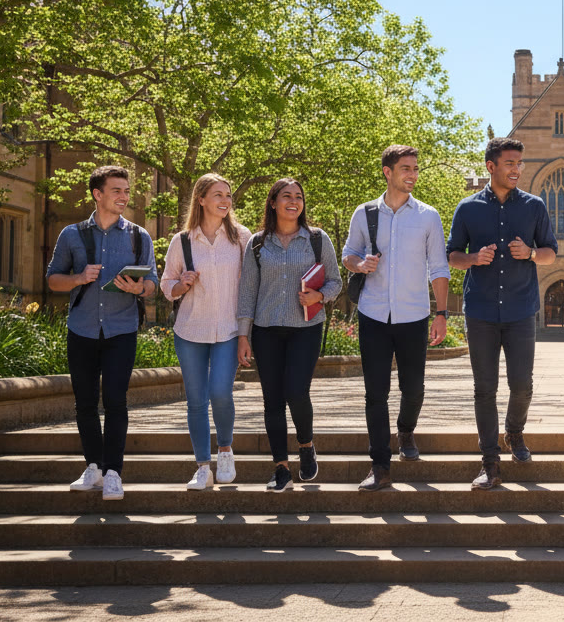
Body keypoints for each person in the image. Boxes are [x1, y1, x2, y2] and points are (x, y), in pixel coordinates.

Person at [447, 137, 558, 490]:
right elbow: (451, 255)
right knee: (485, 388)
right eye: (509, 163)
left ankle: (515, 431)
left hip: (521, 309)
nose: (517, 169)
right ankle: (490, 462)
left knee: (522, 385)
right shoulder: (467, 209)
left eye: (519, 163)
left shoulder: (534, 206)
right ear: (490, 166)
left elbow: (551, 253)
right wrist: (473, 259)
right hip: (479, 309)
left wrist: (529, 253)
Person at [342, 145, 451, 492]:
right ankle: (380, 465)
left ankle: (405, 430)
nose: (413, 175)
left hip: (413, 314)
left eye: (416, 169)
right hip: (373, 312)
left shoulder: (428, 216)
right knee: (375, 393)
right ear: (387, 172)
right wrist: (359, 264)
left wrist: (442, 313)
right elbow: (349, 254)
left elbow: (439, 266)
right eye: (406, 168)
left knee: (413, 389)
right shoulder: (365, 213)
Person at [46, 165, 158, 502]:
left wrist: (139, 288)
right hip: (81, 329)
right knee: (84, 403)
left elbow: (152, 285)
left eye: (126, 191)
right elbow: (52, 279)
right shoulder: (72, 234)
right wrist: (79, 278)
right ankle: (92, 466)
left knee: (115, 400)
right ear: (98, 194)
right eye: (117, 191)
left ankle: (113, 473)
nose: (124, 197)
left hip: (121, 330)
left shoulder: (140, 236)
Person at [236, 178, 343, 493]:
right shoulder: (256, 244)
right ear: (273, 203)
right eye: (286, 196)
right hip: (266, 329)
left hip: (306, 329)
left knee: (296, 391)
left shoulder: (317, 240)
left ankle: (306, 444)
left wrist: (318, 296)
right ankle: (280, 468)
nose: (294, 201)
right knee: (272, 400)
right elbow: (247, 293)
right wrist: (244, 335)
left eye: (299, 196)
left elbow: (335, 282)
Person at [160, 173, 251, 491]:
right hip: (190, 330)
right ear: (201, 199)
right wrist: (179, 284)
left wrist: (246, 333)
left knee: (221, 393)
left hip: (228, 330)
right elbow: (166, 283)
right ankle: (202, 466)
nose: (225, 200)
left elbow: (250, 288)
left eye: (228, 195)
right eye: (218, 194)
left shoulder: (241, 238)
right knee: (196, 401)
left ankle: (225, 451)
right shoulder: (182, 241)